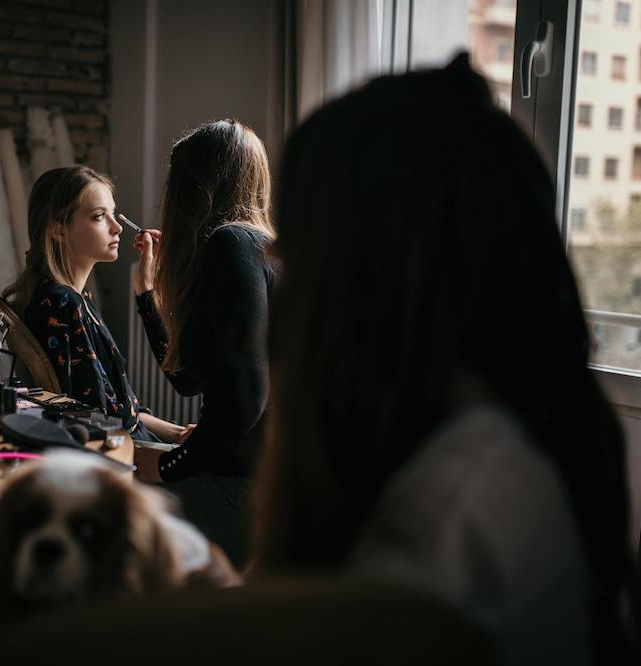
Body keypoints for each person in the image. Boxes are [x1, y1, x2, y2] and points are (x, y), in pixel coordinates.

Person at [256, 55, 633, 664]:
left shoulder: (457, 509)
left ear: (367, 272)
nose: (276, 259)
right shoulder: (485, 446)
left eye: (297, 246)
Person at [132, 119, 277, 567]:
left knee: (100, 500)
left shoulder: (230, 243)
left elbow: (245, 401)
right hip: (263, 480)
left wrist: (170, 466)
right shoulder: (262, 248)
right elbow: (188, 382)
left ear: (193, 188)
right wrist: (146, 295)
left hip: (245, 489)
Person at [5, 166, 188, 443]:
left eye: (113, 214)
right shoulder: (62, 306)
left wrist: (180, 433)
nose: (116, 227)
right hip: (123, 459)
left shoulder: (74, 301)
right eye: (99, 216)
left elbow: (127, 412)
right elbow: (102, 424)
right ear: (58, 229)